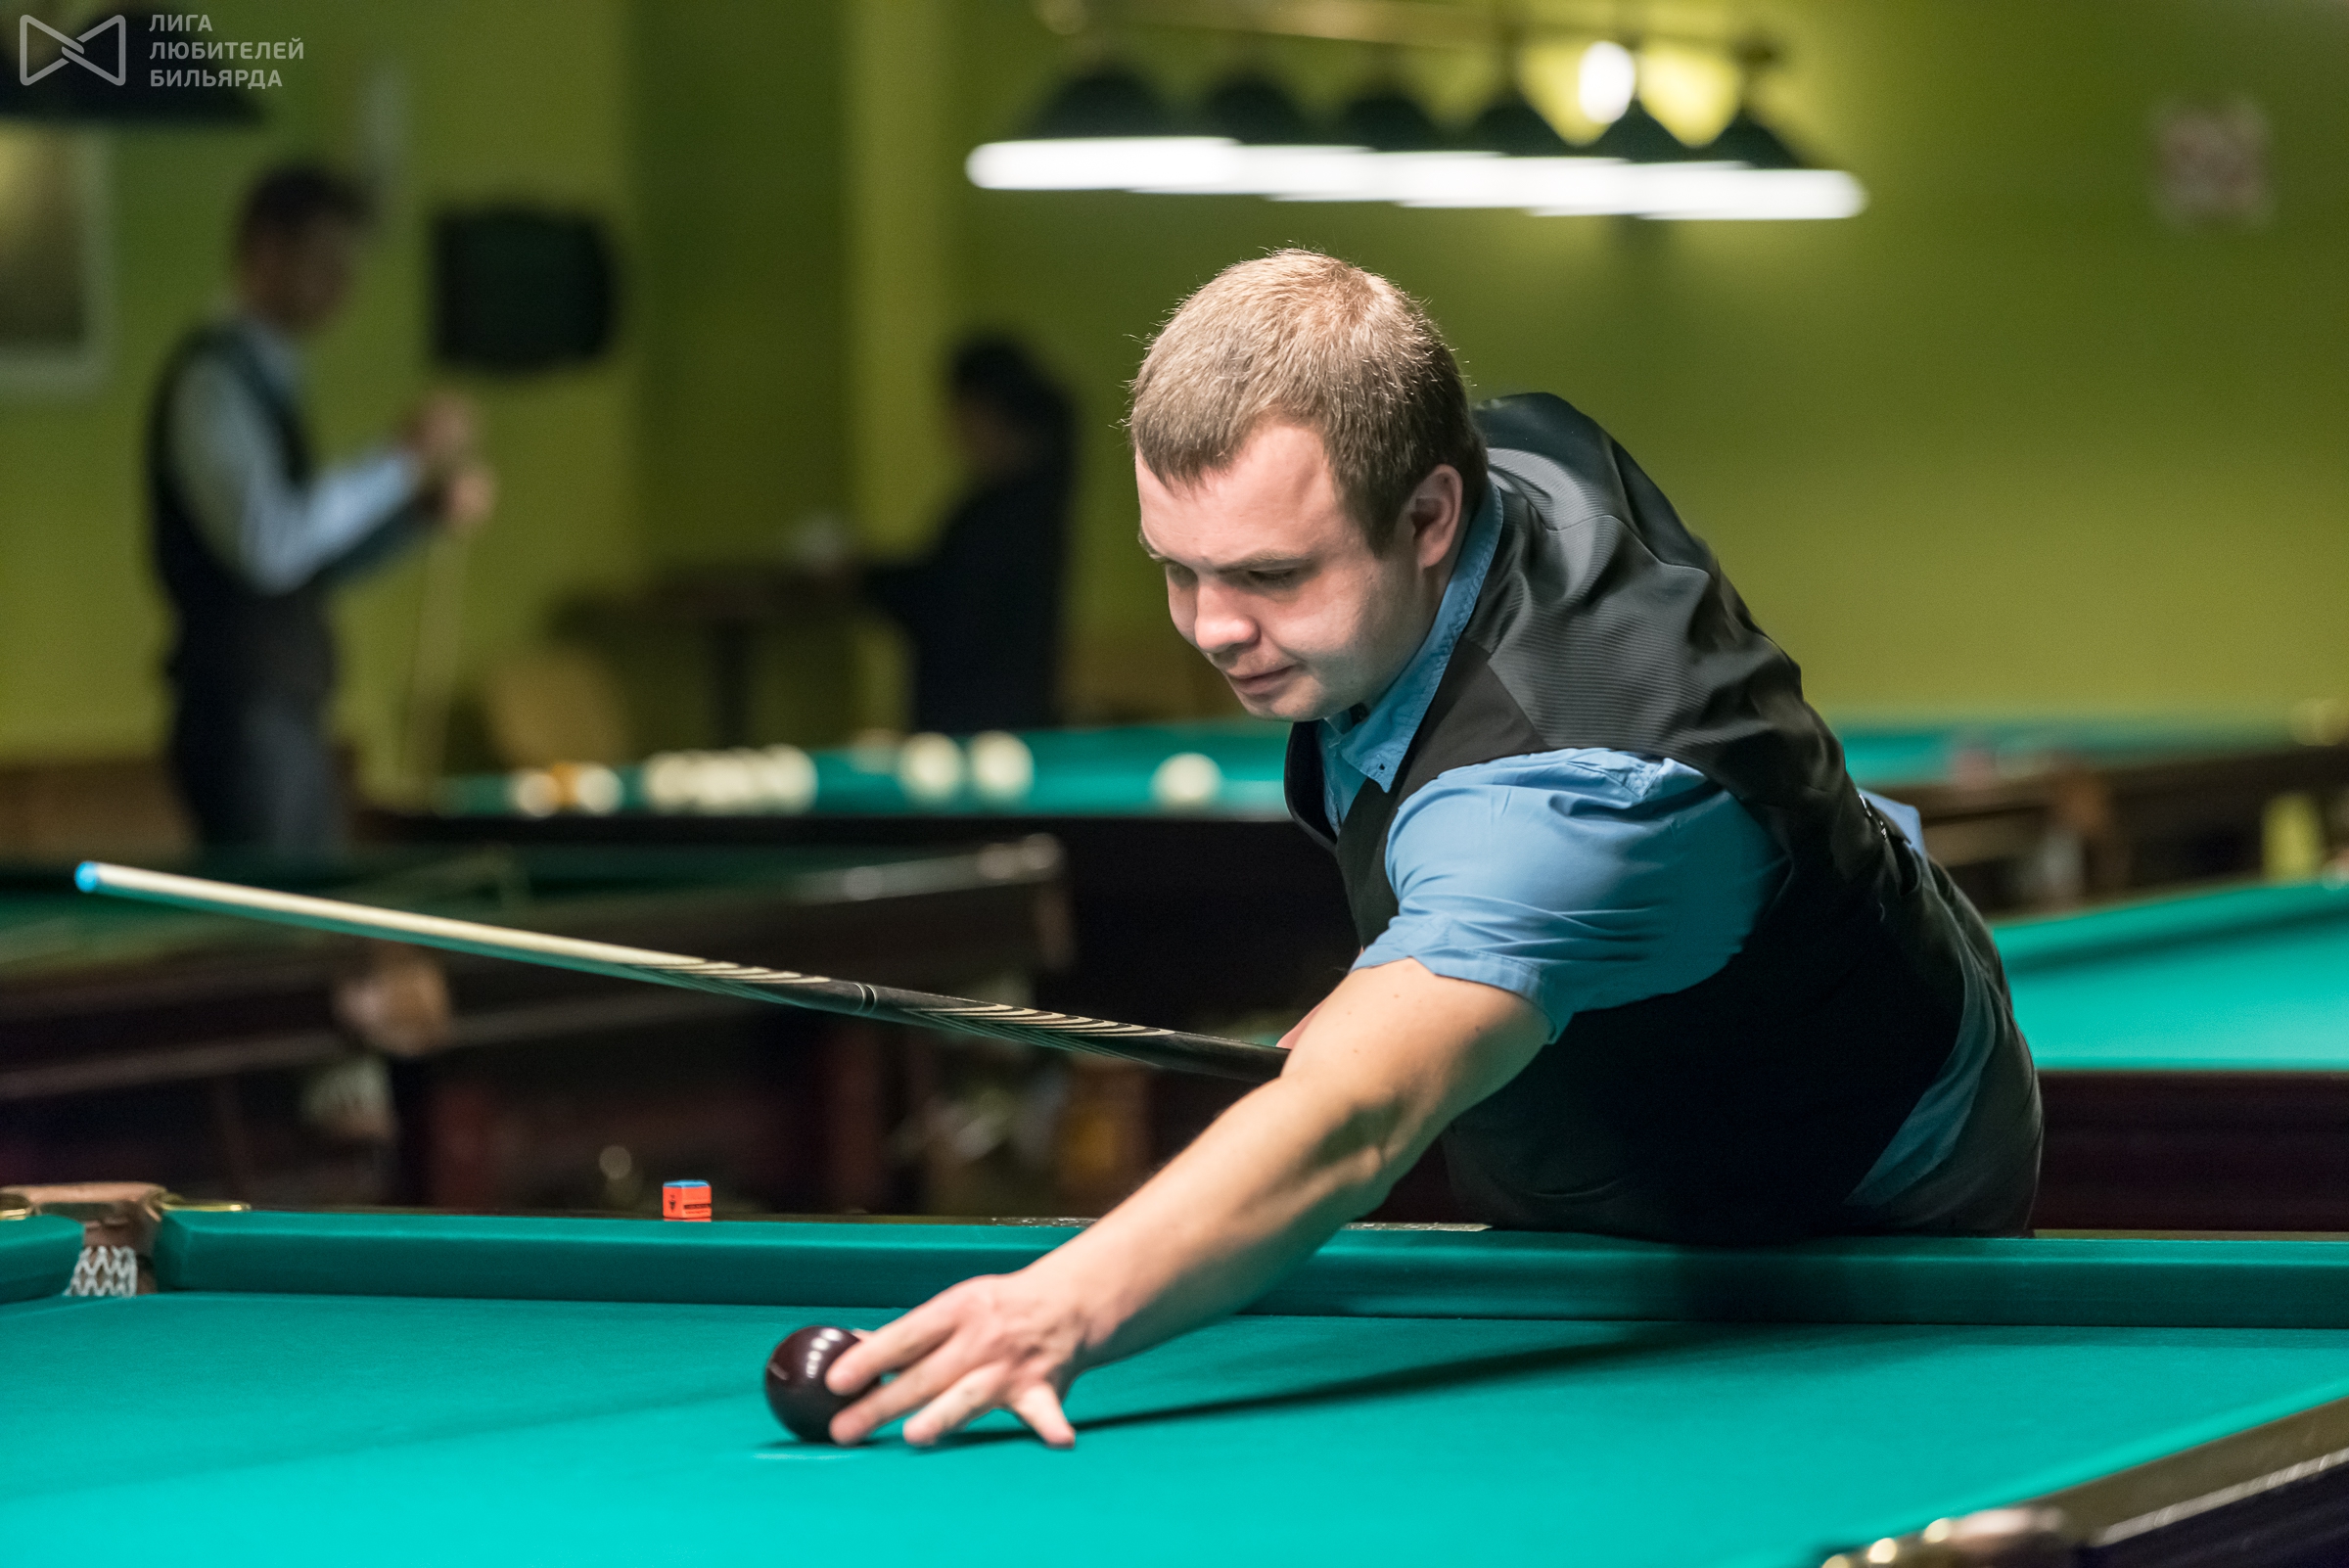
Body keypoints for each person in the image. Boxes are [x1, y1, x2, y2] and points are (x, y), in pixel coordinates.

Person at [819, 252, 2042, 1450]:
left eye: (1269, 575)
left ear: (1428, 515)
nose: (1213, 628)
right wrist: (1393, 992)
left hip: (1850, 1182)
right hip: (1688, 1029)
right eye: (1177, 571)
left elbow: (1356, 1121)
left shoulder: (1565, 804)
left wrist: (1055, 1308)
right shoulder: (1501, 450)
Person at [149, 163, 495, 853]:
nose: (343, 284)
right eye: (324, 261)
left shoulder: (265, 377)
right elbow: (268, 547)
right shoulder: (210, 381)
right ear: (267, 252)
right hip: (244, 716)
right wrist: (401, 458)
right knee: (278, 920)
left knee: (314, 910)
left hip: (287, 714)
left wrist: (416, 514)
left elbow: (311, 562)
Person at [865, 337, 1073, 733]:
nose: (953, 427)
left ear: (985, 409)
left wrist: (861, 580)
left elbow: (944, 605)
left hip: (977, 720)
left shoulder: (1005, 513)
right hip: (1004, 716)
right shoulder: (1034, 498)